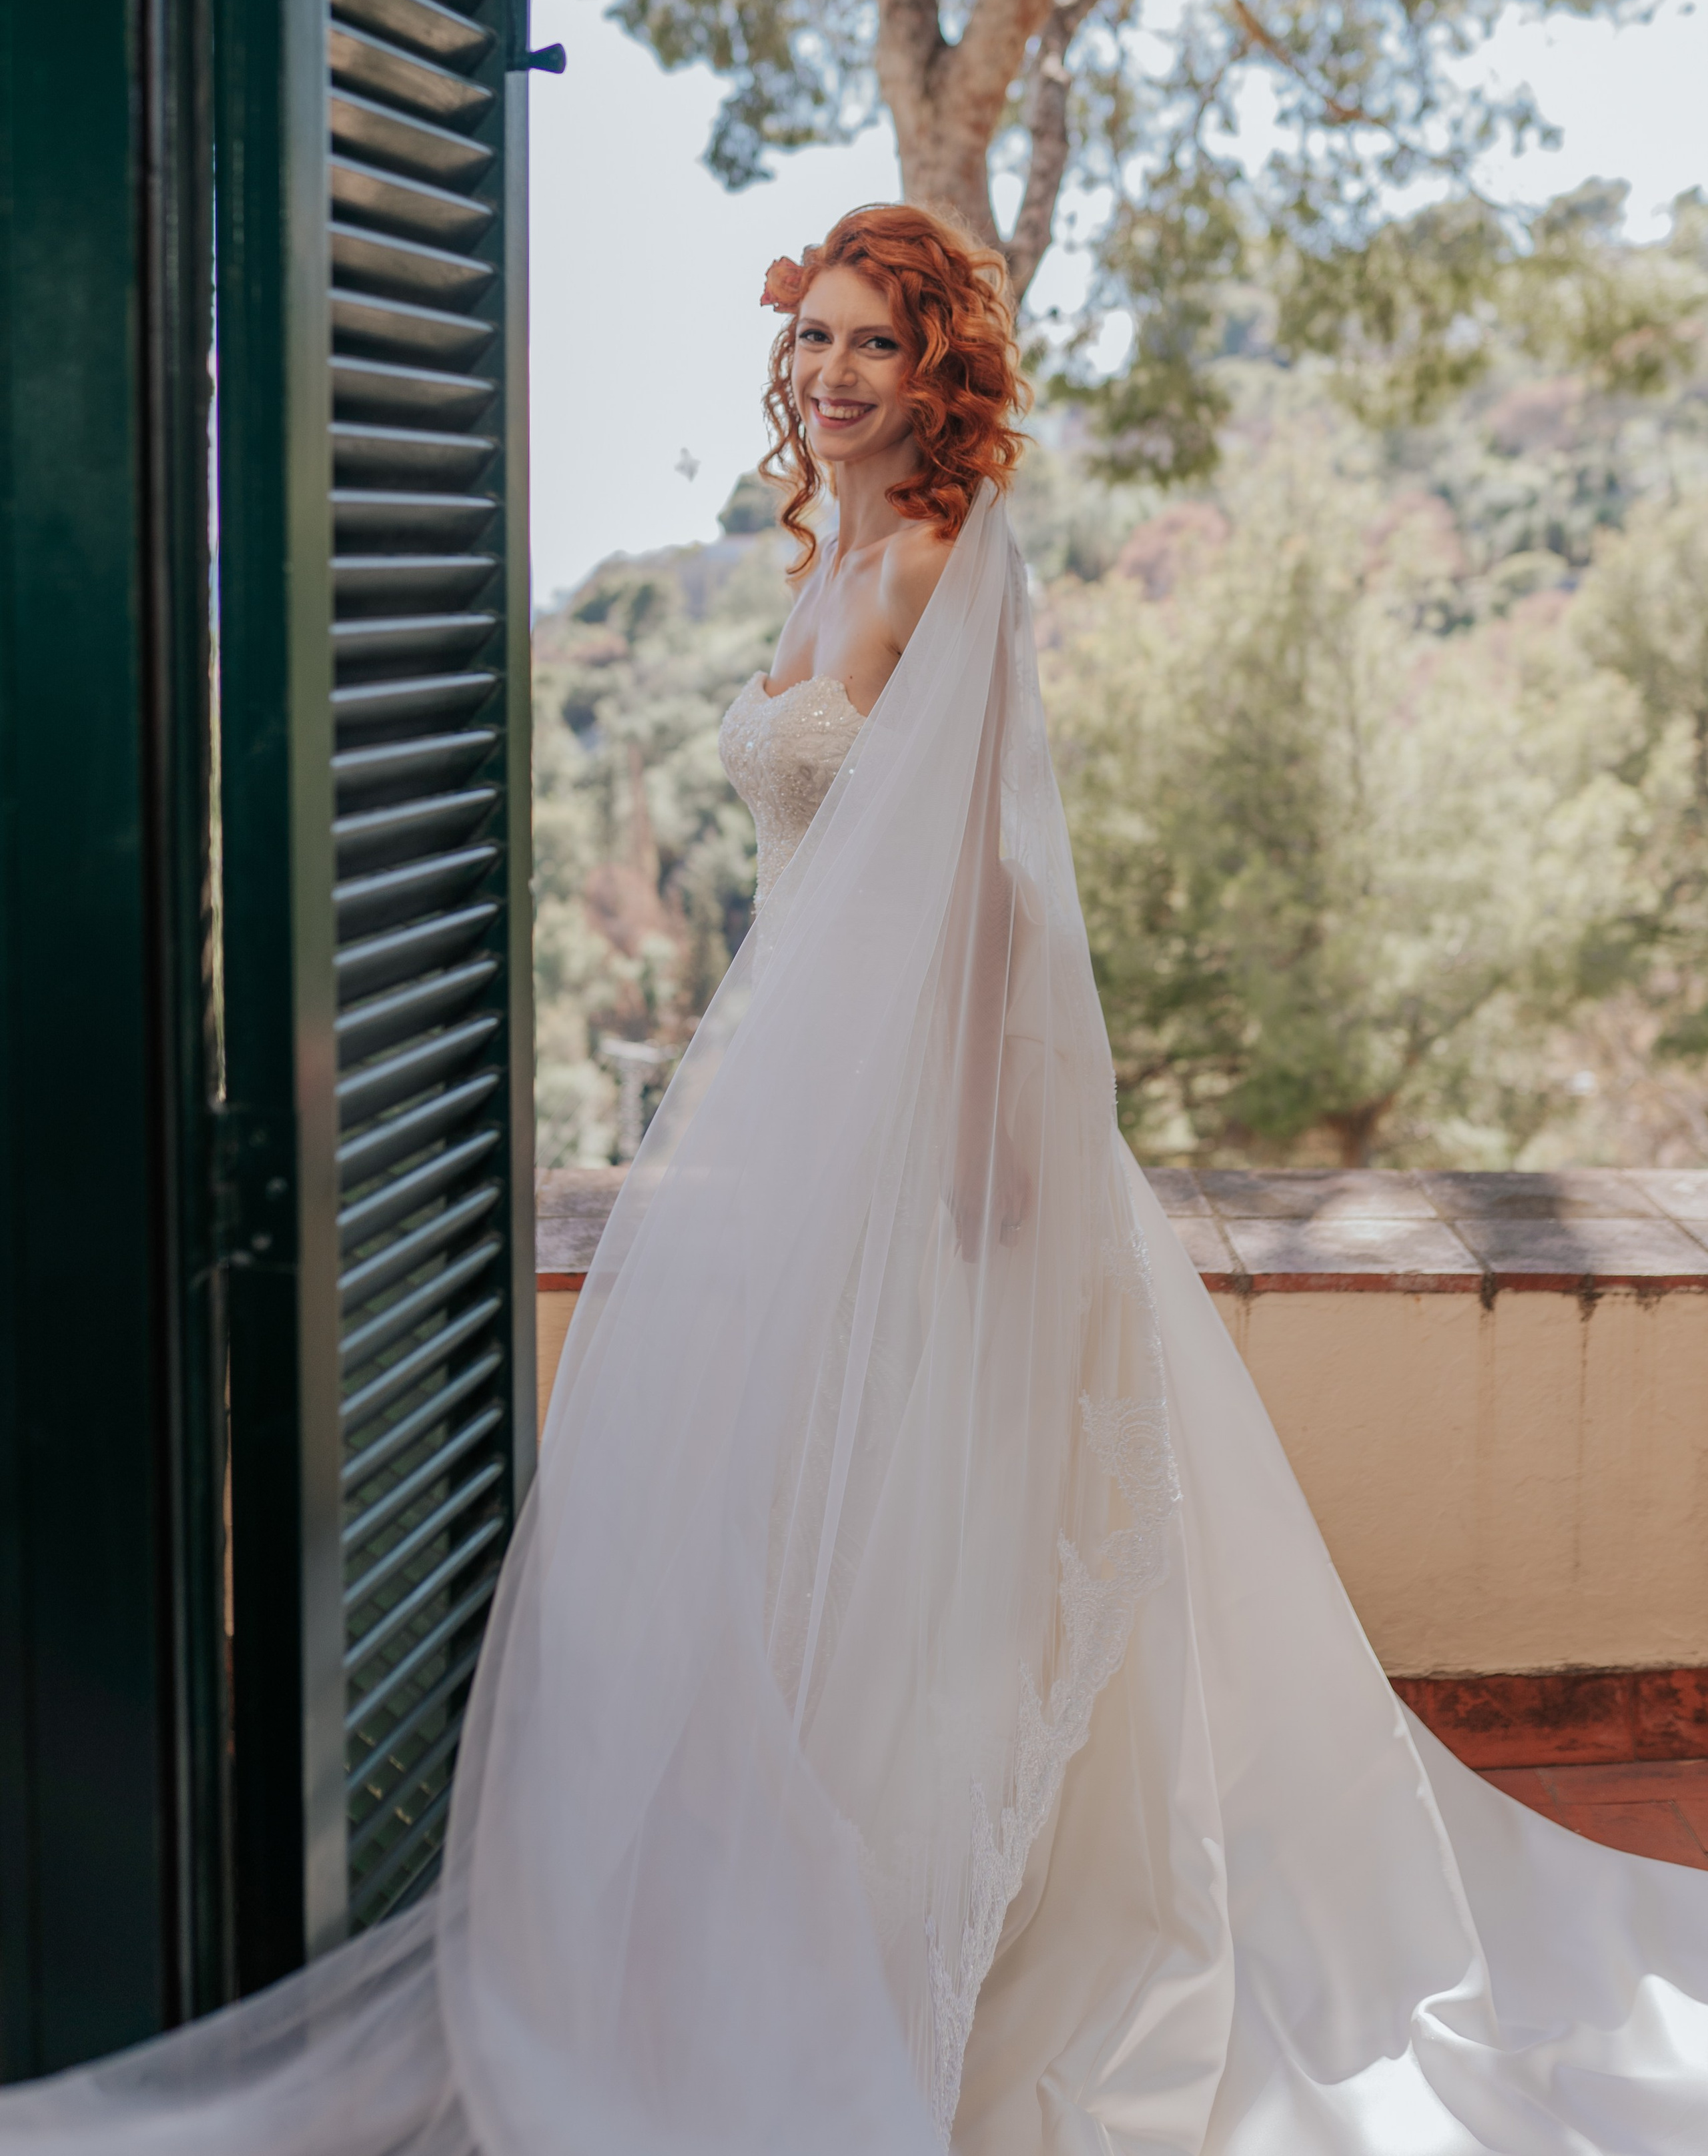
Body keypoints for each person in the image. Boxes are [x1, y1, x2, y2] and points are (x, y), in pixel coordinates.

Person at [5, 201, 1707, 2155]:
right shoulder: (826, 560)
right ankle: (801, 1913)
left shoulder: (940, 567)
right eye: (810, 337)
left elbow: (989, 890)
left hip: (937, 1115)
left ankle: (960, 1937)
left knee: (955, 1529)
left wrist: (986, 1148)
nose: (827, 372)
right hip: (810, 1108)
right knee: (829, 1518)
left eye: (870, 343)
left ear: (938, 373)